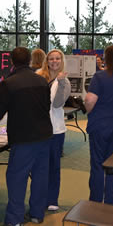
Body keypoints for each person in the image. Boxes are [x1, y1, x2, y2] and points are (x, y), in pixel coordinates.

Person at [0, 47, 53, 225]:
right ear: (30, 60)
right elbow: (47, 106)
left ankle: (14, 219)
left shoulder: (9, 83)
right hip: (45, 135)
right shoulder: (42, 81)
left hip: (23, 139)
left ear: (12, 62)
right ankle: (37, 214)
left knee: (17, 178)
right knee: (40, 175)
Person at [85, 44, 113, 204]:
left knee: (98, 165)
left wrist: (88, 110)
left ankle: (95, 202)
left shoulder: (99, 77)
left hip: (100, 126)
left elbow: (90, 100)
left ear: (107, 58)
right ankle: (111, 203)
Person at [37, 49, 71, 211]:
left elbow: (57, 104)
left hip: (55, 130)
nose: (54, 61)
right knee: (39, 167)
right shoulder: (38, 75)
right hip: (37, 129)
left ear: (61, 60)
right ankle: (39, 199)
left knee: (53, 167)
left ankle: (52, 199)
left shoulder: (65, 81)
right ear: (47, 60)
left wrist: (61, 82)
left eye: (57, 58)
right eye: (51, 59)